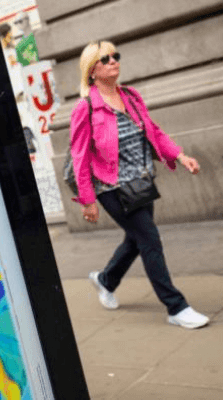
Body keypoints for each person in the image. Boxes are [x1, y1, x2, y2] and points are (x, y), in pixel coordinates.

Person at [69, 41, 209, 329]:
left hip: (142, 181)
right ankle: (176, 307)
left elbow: (153, 131)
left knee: (137, 239)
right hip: (111, 187)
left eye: (115, 56)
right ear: (92, 70)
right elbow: (80, 156)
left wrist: (180, 156)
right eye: (105, 59)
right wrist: (87, 200)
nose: (113, 61)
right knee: (149, 239)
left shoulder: (131, 96)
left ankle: (106, 280)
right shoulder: (86, 108)